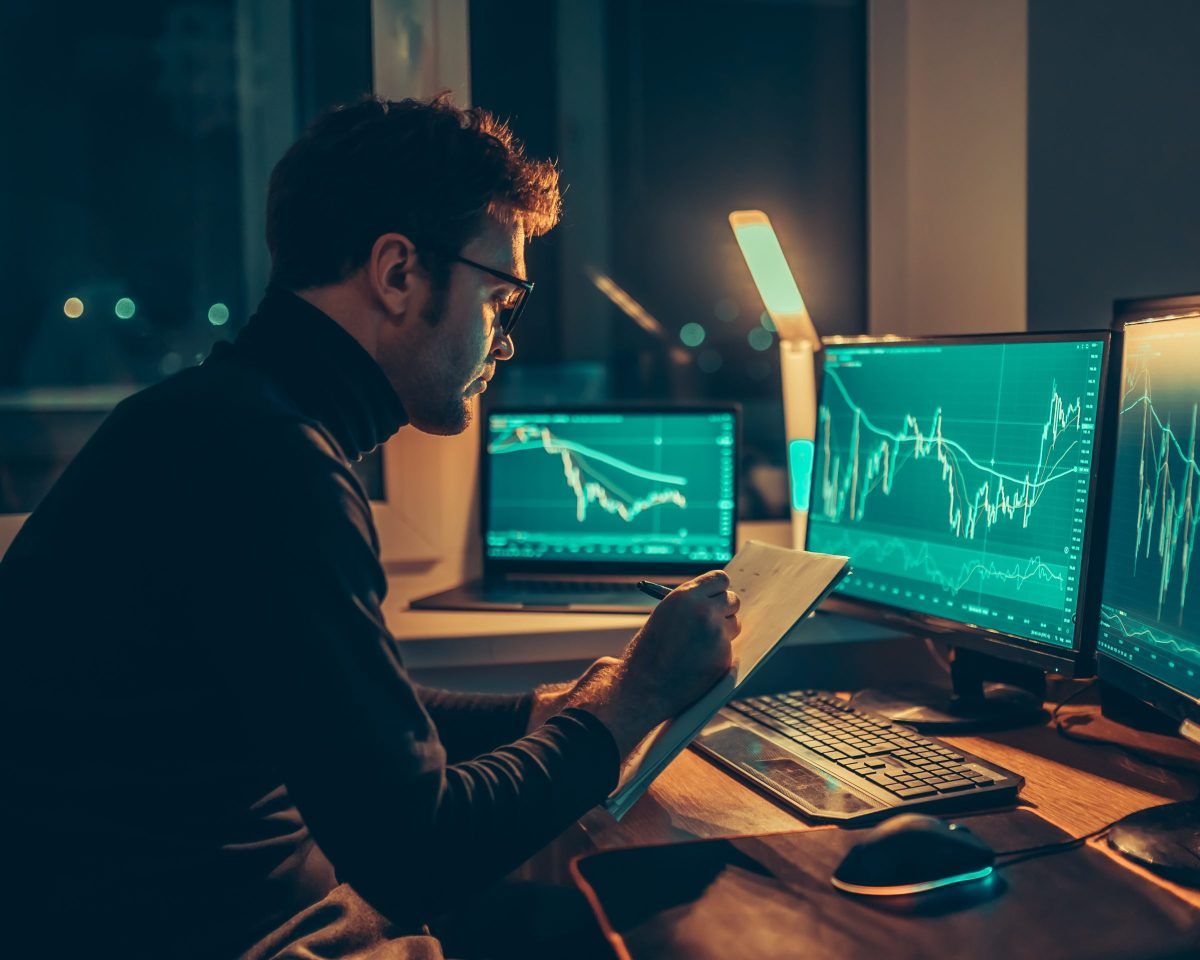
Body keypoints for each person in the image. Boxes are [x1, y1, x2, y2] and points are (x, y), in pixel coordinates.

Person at [0, 95, 740, 959]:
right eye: (499, 298)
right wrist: (634, 702)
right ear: (398, 274)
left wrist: (534, 712)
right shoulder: (273, 466)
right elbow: (414, 855)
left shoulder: (206, 421)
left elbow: (337, 702)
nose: (503, 343)